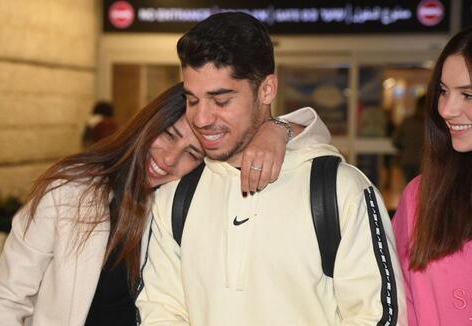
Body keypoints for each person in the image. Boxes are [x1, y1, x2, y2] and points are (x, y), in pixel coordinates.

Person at [137, 12, 406, 325]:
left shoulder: (338, 189)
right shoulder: (175, 198)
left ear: (266, 90)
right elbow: (160, 309)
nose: (201, 118)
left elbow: (378, 315)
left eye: (220, 101)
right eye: (192, 100)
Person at [0, 82, 314, 325]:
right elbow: (7, 298)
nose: (168, 159)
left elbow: (314, 135)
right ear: (148, 124)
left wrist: (277, 129)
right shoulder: (71, 191)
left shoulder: (182, 211)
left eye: (191, 154)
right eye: (168, 135)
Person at [392, 27, 472, 326]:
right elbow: (393, 298)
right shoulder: (421, 196)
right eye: (443, 91)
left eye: (467, 94)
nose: (446, 109)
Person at [393, 95, 426, 182]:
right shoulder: (431, 124)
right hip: (425, 161)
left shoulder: (407, 121)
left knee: (410, 187)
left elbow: (396, 140)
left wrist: (406, 148)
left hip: (408, 160)